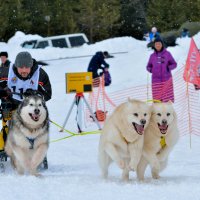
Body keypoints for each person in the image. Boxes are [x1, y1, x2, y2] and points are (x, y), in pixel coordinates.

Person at [0, 51, 52, 165]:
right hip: (11, 105)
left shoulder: (40, 74)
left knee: (36, 128)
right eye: (21, 67)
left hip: (31, 108)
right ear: (16, 66)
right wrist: (2, 92)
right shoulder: (5, 72)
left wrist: (35, 94)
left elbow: (48, 94)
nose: (24, 70)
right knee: (6, 125)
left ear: (31, 66)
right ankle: (2, 150)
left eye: (27, 67)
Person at [146, 37, 177, 102]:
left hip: (166, 79)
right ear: (154, 45)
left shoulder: (167, 54)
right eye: (156, 44)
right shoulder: (152, 56)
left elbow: (174, 64)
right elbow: (148, 66)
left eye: (159, 44)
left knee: (167, 100)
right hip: (156, 81)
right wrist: (151, 70)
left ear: (162, 44)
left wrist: (168, 68)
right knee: (158, 100)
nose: (158, 45)